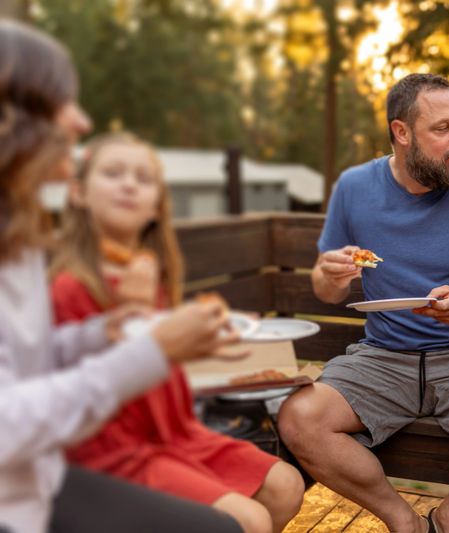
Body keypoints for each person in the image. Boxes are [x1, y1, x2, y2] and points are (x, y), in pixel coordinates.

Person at [0, 20, 243, 533]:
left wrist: (97, 336)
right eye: (59, 102)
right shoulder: (62, 276)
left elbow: (22, 363)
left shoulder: (16, 236)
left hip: (34, 478)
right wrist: (151, 351)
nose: (82, 121)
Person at [278, 73, 449, 533]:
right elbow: (331, 290)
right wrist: (328, 275)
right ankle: (404, 522)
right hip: (383, 357)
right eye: (442, 129)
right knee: (299, 417)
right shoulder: (355, 188)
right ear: (401, 133)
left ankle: (448, 516)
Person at [49, 132, 305, 533]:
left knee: (286, 485)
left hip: (175, 430)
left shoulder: (151, 275)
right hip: (109, 450)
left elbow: (164, 361)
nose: (129, 184)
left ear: (156, 205)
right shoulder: (70, 288)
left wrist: (207, 338)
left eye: (143, 178)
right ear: (78, 193)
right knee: (249, 520)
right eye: (113, 173)